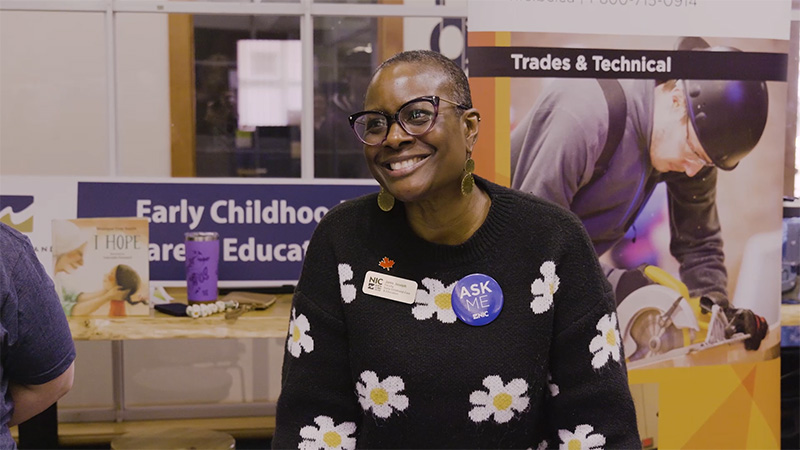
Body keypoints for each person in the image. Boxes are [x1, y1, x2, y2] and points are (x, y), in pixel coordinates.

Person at [272, 50, 640, 448]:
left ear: (469, 128)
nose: (393, 138)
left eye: (417, 115)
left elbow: (598, 425)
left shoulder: (552, 241)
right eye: (376, 124)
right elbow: (311, 421)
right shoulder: (343, 240)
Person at [510, 37, 770, 352]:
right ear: (677, 101)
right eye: (693, 153)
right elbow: (530, 244)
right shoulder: (584, 115)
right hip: (490, 279)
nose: (692, 172)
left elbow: (699, 244)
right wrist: (619, 286)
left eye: (705, 162)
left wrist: (715, 313)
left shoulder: (690, 145)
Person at [0, 223, 76, 448]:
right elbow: (56, 382)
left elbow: (54, 379)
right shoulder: (8, 251)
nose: (80, 261)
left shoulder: (8, 252)